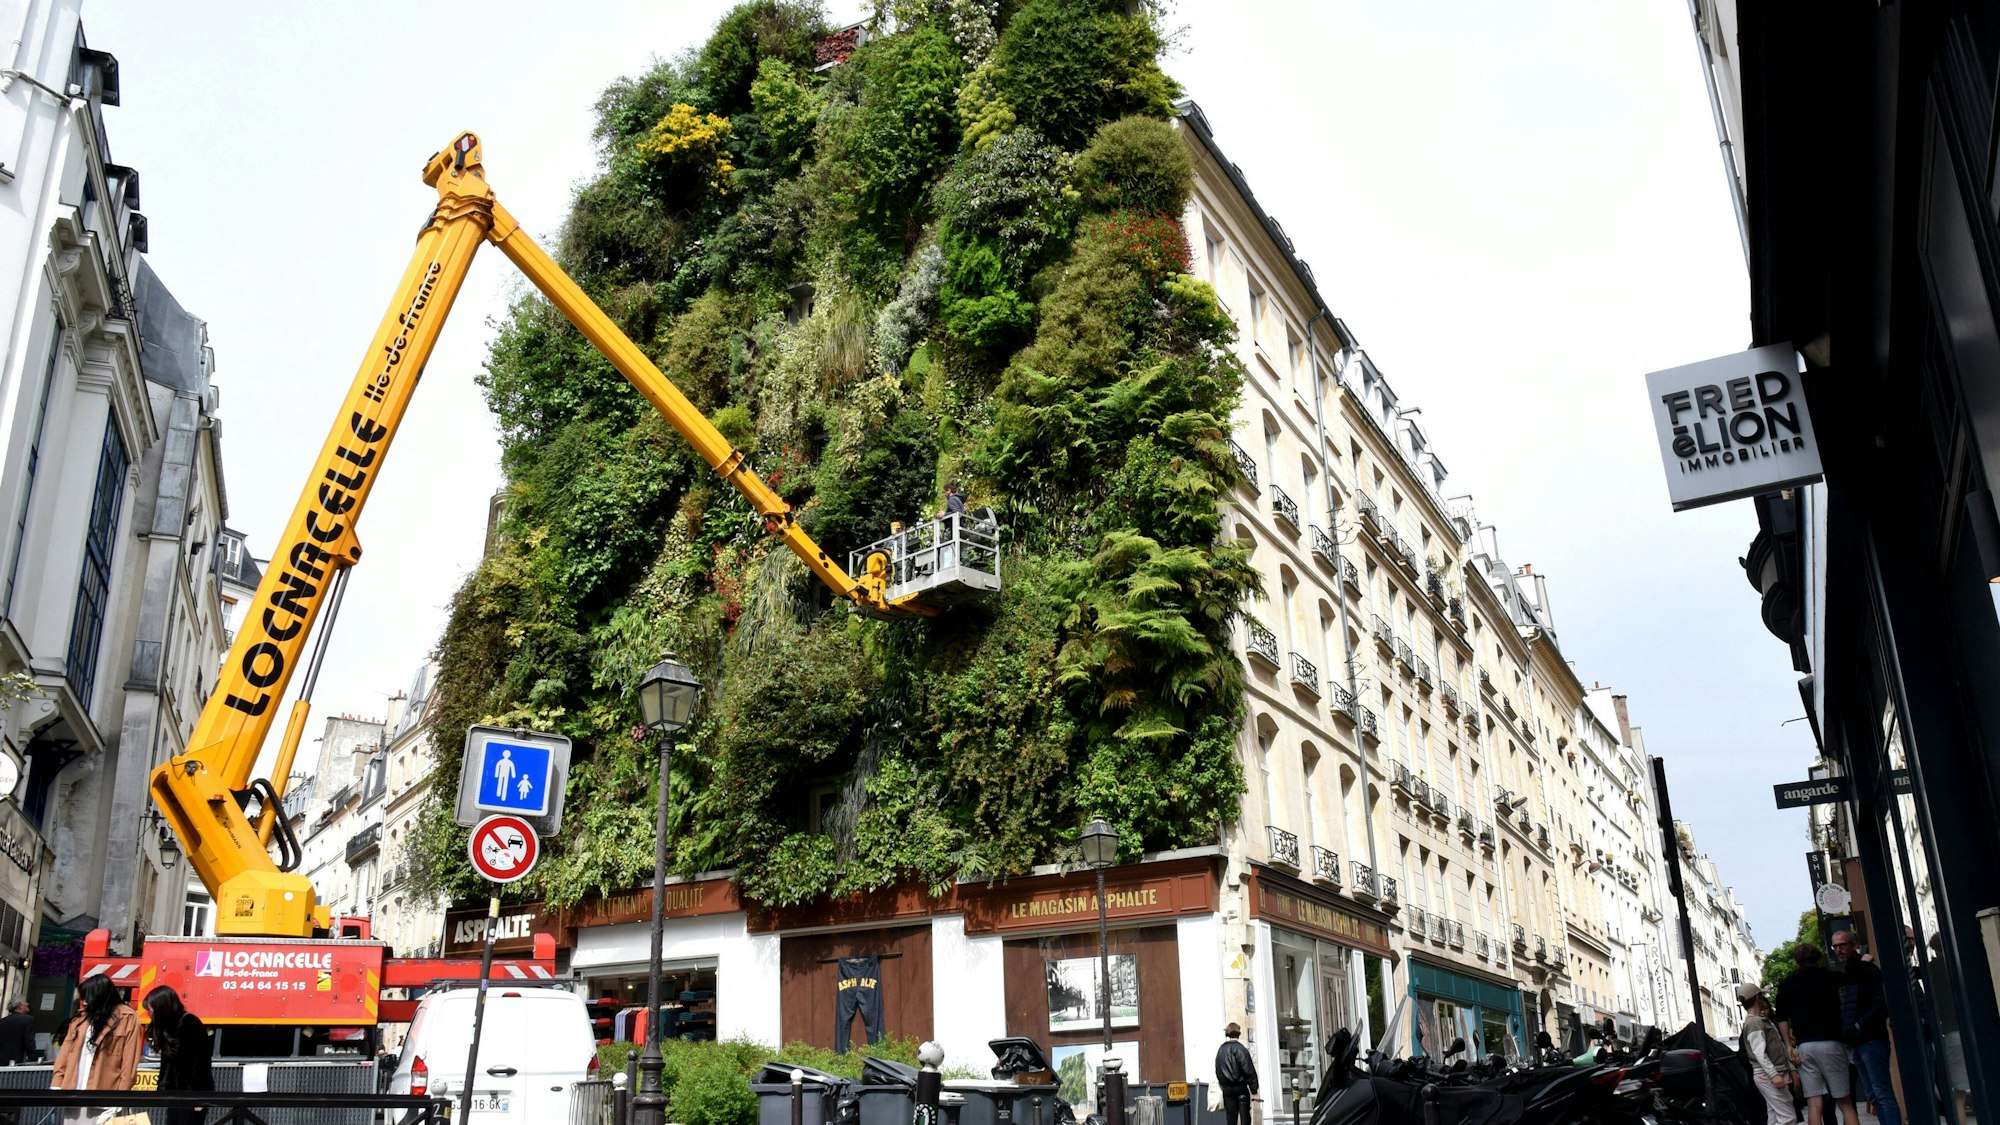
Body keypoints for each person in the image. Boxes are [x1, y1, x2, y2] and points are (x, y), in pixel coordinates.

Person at [1776, 943, 1857, 1125]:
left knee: (1814, 1103)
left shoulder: (1787, 984)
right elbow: (1852, 983)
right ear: (1819, 958)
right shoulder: (1831, 978)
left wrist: (1789, 1045)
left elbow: (1781, 1017)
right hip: (1832, 1042)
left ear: (1796, 962)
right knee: (1844, 1102)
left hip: (1805, 1046)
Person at [50, 975, 142, 1123]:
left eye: (88, 996)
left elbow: (129, 1063)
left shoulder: (127, 1018)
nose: (84, 1002)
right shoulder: (80, 1019)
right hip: (74, 1094)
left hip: (106, 1096)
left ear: (99, 995)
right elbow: (64, 1055)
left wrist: (121, 1097)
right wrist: (57, 1084)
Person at [1831, 930, 1900, 1125]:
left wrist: (1859, 1024)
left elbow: (1881, 1003)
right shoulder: (1854, 970)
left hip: (1871, 1039)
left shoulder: (1868, 970)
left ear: (1855, 945)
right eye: (1835, 946)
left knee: (1881, 1092)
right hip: (1859, 1040)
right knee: (1874, 1093)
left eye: (1842, 945)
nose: (1838, 950)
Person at [144, 985, 213, 1125]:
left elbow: (199, 1064)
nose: (149, 1015)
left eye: (151, 1010)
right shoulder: (168, 1027)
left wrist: (198, 1096)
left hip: (191, 1093)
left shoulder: (189, 1023)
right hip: (176, 1092)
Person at [1739, 981, 1798, 1124]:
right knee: (1788, 1117)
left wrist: (1789, 1069)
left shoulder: (1760, 1021)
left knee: (1774, 1115)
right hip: (1767, 1074)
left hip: (1768, 1073)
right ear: (1758, 997)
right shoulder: (1755, 1023)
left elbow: (1778, 1047)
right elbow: (1759, 1053)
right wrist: (1774, 1075)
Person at [1214, 1023, 1259, 1125]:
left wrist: (1223, 1084)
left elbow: (1218, 1069)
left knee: (1231, 1118)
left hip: (1227, 1089)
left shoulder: (1221, 1049)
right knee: (1245, 1117)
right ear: (1239, 1033)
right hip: (1240, 1087)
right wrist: (1254, 1091)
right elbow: (1248, 1070)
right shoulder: (1241, 1049)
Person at [0, 999, 34, 1065]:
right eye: (25, 1002)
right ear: (20, 1006)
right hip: (17, 1061)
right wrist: (33, 1059)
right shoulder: (27, 1020)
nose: (27, 1004)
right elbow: (29, 1041)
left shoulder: (2, 1021)